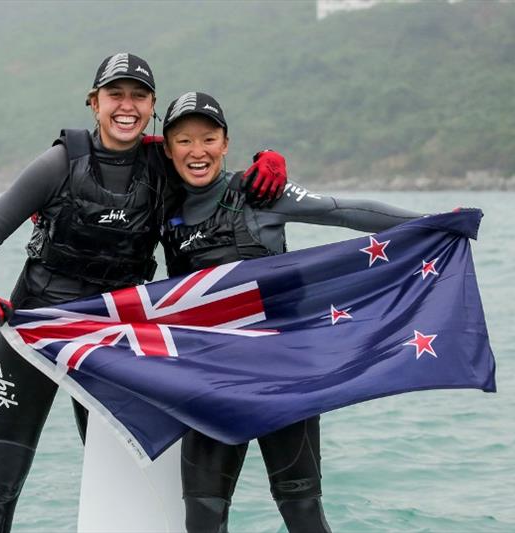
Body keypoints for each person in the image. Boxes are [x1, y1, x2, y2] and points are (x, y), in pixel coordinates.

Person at [0, 55, 287, 533]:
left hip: (110, 344)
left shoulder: (162, 163)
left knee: (128, 476)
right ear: (95, 103)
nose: (126, 106)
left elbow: (211, 166)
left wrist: (269, 160)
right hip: (35, 335)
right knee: (2, 480)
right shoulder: (60, 163)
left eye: (138, 96)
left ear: (152, 105)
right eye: (116, 95)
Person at [159, 91, 427, 533]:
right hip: (210, 380)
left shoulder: (259, 192)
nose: (197, 151)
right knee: (202, 517)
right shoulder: (162, 205)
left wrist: (430, 223)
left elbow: (342, 212)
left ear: (225, 143)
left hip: (284, 374)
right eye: (183, 141)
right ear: (168, 149)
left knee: (300, 511)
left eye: (208, 139)